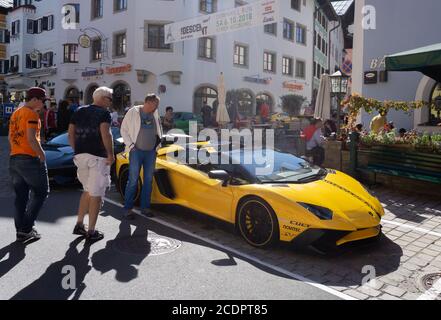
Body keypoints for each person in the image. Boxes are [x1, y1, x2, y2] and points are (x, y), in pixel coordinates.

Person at [68, 87, 114, 243]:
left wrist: (76, 150)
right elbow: (105, 134)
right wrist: (110, 154)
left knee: (87, 191)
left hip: (81, 156)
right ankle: (91, 231)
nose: (111, 102)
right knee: (95, 195)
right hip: (97, 157)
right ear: (102, 98)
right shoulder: (103, 113)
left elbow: (70, 133)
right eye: (110, 98)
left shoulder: (79, 111)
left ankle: (79, 224)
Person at [8, 87, 50, 243]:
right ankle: (26, 228)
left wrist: (15, 152)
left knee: (21, 197)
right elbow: (32, 138)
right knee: (41, 192)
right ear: (34, 99)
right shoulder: (31, 114)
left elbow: (10, 138)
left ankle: (21, 230)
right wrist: (42, 155)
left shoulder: (16, 113)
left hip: (15, 158)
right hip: (29, 158)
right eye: (42, 101)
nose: (43, 104)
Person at [121, 94, 163, 220]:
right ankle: (128, 209)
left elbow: (159, 130)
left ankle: (145, 208)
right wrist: (131, 146)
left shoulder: (155, 114)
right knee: (133, 180)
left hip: (151, 152)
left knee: (148, 181)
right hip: (136, 151)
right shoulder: (133, 112)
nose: (157, 107)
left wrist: (157, 147)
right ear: (148, 102)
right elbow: (124, 130)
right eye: (156, 104)